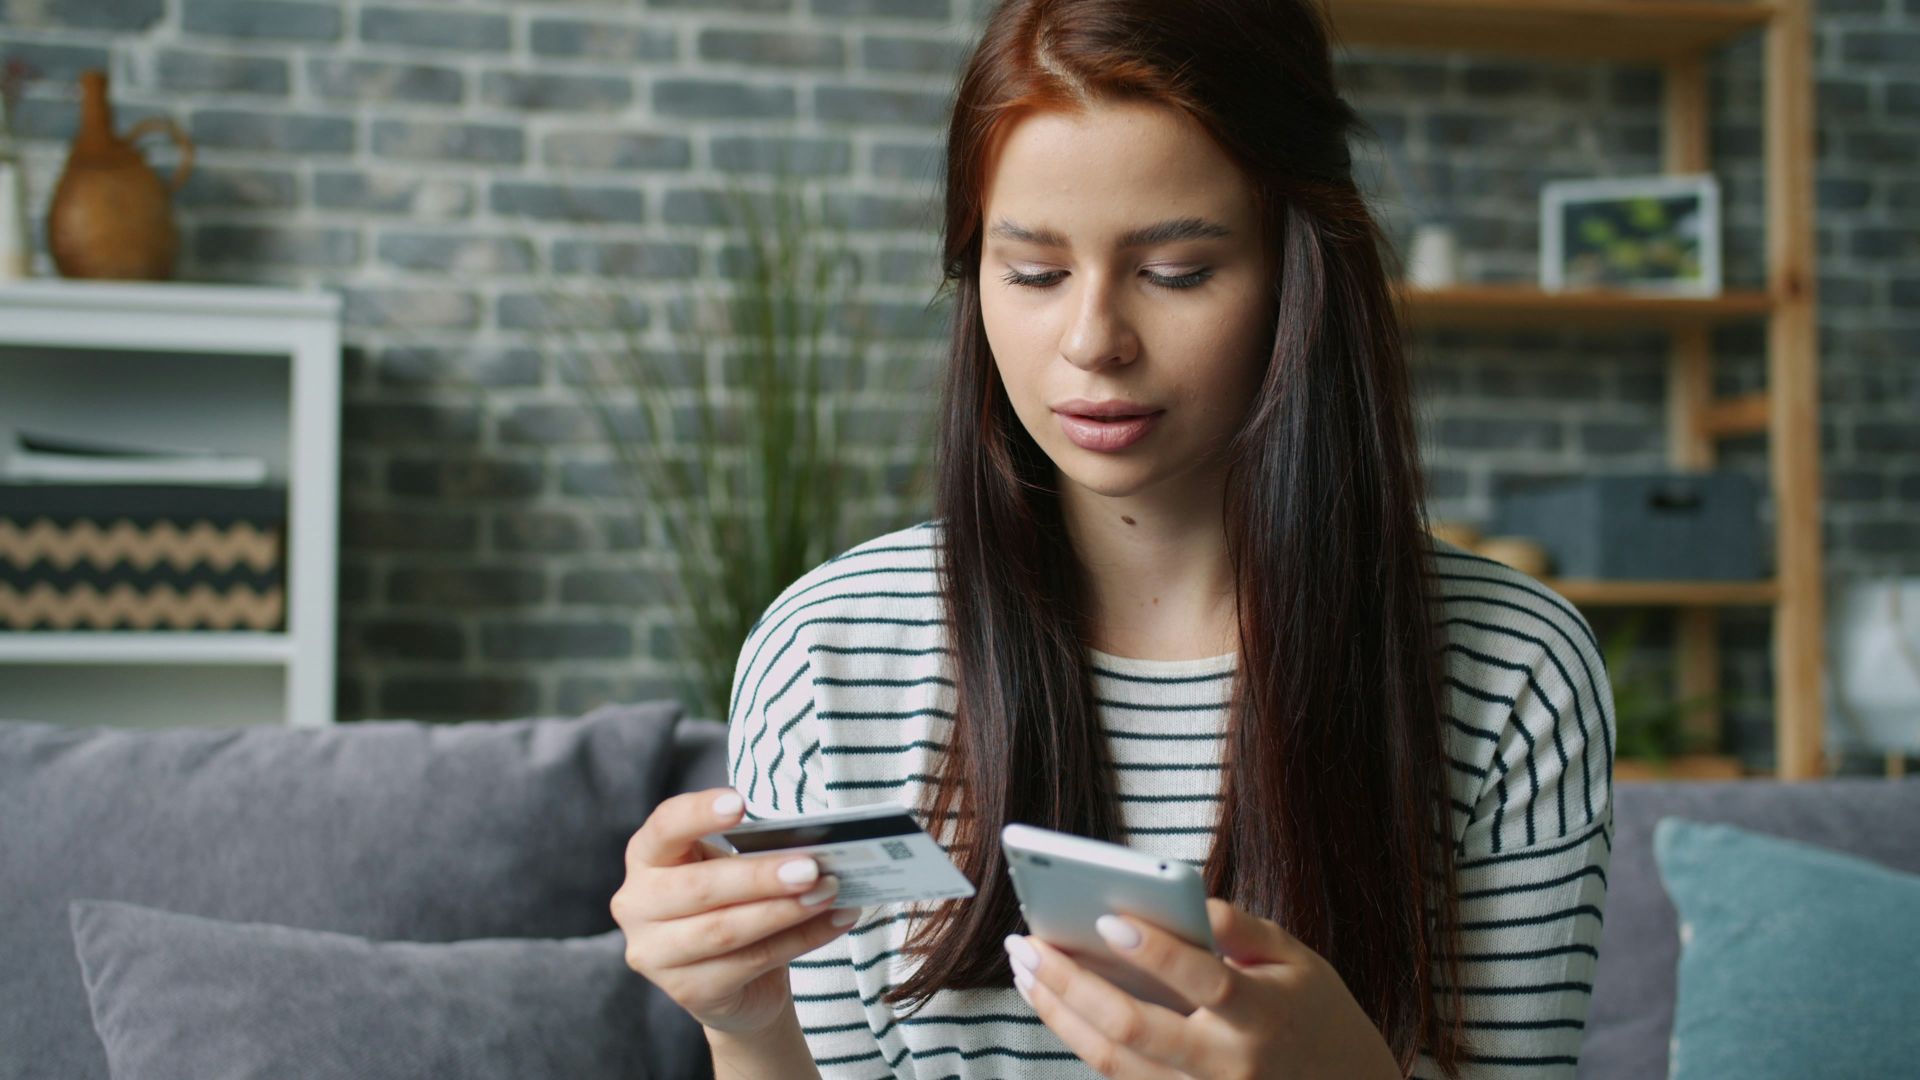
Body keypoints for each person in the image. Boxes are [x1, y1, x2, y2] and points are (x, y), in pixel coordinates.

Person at [611, 0, 1617, 1077]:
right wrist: (746, 1022)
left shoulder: (1514, 671)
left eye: (1177, 271)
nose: (1093, 342)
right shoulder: (831, 653)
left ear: (1298, 269)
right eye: (1034, 273)